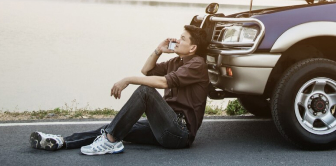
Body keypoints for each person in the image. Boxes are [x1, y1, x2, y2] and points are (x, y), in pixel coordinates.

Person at [29, 25, 209, 155]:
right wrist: (158, 50)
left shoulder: (197, 65)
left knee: (145, 91)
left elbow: (163, 82)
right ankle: (62, 142)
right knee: (114, 127)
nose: (177, 40)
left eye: (183, 39)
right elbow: (146, 70)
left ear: (193, 48)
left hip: (179, 133)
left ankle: (110, 141)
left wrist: (127, 80)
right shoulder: (176, 62)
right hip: (164, 125)